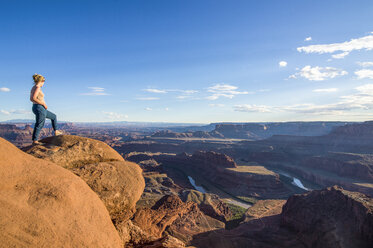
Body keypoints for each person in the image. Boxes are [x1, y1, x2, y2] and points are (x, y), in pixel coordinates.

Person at [30, 73, 62, 145]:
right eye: (43, 82)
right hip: (39, 107)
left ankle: (56, 131)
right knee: (40, 124)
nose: (43, 84)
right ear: (41, 81)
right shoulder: (37, 88)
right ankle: (35, 141)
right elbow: (32, 98)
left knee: (53, 116)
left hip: (40, 108)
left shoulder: (34, 87)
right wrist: (43, 104)